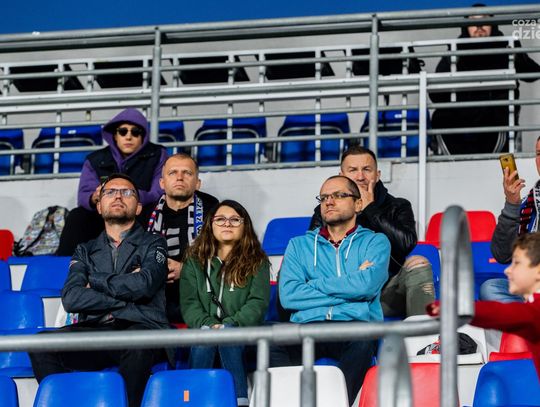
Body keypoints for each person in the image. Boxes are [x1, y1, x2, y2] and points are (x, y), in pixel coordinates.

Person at [29, 173, 170, 407]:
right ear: (99, 206)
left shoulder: (154, 243)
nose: (118, 197)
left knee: (138, 344)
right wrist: (126, 297)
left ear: (138, 208)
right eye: (110, 192)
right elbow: (72, 298)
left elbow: (144, 285)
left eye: (127, 192)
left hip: (141, 327)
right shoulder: (85, 250)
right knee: (40, 344)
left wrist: (93, 281)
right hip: (96, 329)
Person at [273, 175, 391, 402]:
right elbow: (289, 296)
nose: (329, 201)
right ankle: (293, 401)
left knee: (363, 341)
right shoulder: (298, 245)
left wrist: (313, 284)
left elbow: (366, 286)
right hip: (307, 326)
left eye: (339, 195)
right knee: (268, 342)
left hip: (353, 326)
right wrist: (351, 286)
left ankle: (335, 403)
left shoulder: (376, 242)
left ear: (358, 204)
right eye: (324, 197)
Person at [310, 146, 434, 317]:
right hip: (339, 291)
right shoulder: (326, 209)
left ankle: (423, 333)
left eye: (367, 169)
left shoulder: (398, 205)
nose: (360, 176)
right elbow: (313, 252)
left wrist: (370, 208)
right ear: (342, 175)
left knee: (418, 263)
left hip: (383, 294)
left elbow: (406, 244)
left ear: (377, 175)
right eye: (353, 170)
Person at [180, 200, 270, 407]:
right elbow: (189, 303)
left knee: (229, 335)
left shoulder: (257, 261)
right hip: (204, 329)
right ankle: (195, 401)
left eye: (234, 220)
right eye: (220, 219)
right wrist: (209, 324)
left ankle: (239, 400)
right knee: (205, 336)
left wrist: (230, 325)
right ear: (210, 225)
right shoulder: (194, 261)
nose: (227, 224)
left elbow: (257, 303)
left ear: (244, 226)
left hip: (243, 332)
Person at [430, 3, 540, 155]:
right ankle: (460, 163)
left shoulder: (506, 45)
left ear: (493, 24)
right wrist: (451, 62)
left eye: (485, 20)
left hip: (495, 115)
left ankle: (479, 162)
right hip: (463, 117)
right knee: (441, 117)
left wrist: (517, 57)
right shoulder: (456, 48)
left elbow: (533, 73)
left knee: (499, 119)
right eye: (473, 22)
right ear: (466, 26)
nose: (479, 26)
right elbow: (435, 93)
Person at [56, 108, 167, 256]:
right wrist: (95, 197)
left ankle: (153, 259)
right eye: (123, 131)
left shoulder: (158, 154)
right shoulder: (95, 159)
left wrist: (127, 195)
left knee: (158, 211)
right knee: (78, 216)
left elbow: (159, 192)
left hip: (140, 212)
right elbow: (84, 196)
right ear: (115, 135)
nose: (129, 137)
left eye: (135, 132)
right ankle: (66, 263)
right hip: (105, 214)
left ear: (143, 136)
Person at [428, 232, 540, 379]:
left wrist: (455, 308)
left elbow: (499, 313)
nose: (507, 270)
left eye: (517, 263)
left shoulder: (535, 310)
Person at [146, 153, 218, 324]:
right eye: (173, 173)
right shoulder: (146, 213)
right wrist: (154, 270)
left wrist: (186, 270)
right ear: (162, 183)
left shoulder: (214, 211)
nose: (179, 177)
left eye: (187, 173)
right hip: (156, 298)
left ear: (197, 183)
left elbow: (226, 260)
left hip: (202, 296)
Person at [480, 135, 540, 302]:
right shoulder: (529, 203)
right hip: (532, 286)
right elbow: (502, 255)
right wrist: (512, 204)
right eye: (539, 153)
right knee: (490, 288)